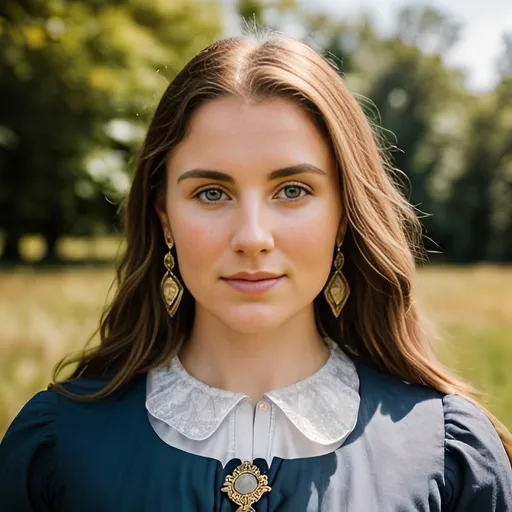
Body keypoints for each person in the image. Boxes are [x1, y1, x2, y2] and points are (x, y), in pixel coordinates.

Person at [0, 31, 511, 512]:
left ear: (343, 216)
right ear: (166, 218)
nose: (251, 237)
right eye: (211, 193)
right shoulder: (57, 445)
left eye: (292, 190)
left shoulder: (446, 455)